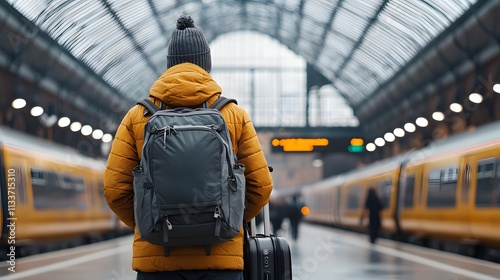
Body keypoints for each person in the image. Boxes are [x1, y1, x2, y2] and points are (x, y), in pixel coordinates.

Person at [103, 15, 273, 280]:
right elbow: (261, 185)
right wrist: (229, 217)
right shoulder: (234, 115)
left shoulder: (137, 117)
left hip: (158, 264)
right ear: (206, 64)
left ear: (169, 64)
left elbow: (115, 191)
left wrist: (152, 222)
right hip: (221, 264)